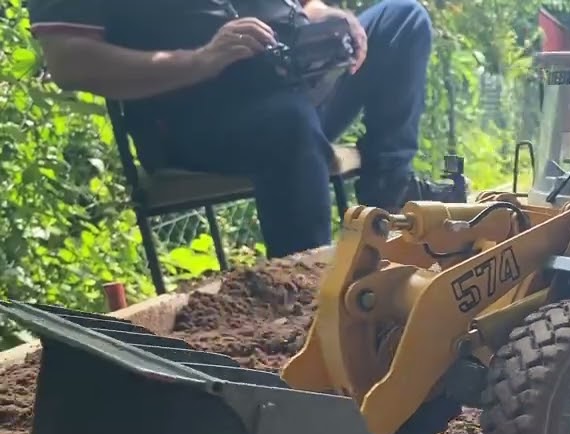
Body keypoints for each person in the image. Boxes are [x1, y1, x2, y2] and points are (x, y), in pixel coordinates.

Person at [26, 0, 434, 258]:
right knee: (288, 123)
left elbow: (298, 6)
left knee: (403, 18)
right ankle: (306, 298)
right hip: (197, 116)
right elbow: (69, 61)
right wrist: (202, 59)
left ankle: (385, 219)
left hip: (297, 82)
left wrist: (323, 15)